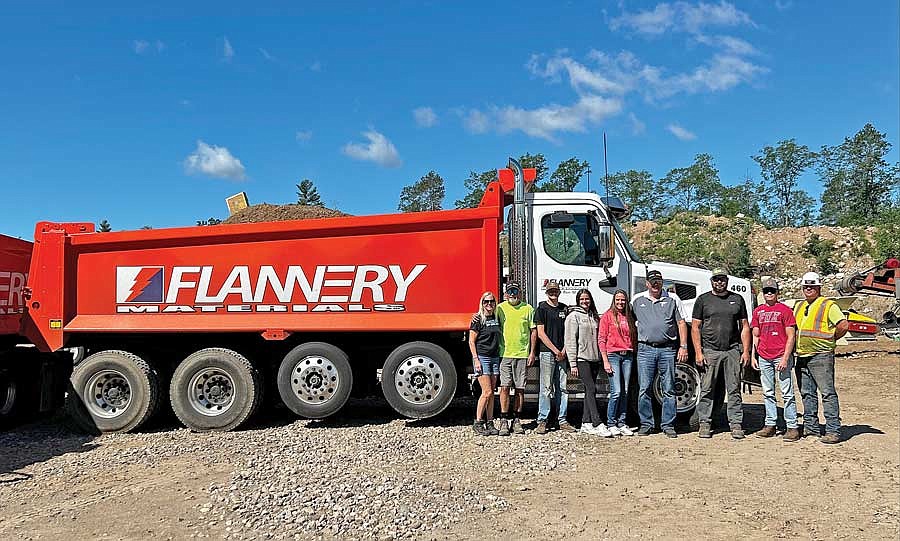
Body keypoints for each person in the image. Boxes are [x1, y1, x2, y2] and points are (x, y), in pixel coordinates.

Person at [692, 268, 751, 440]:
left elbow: (745, 326)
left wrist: (745, 351)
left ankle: (736, 424)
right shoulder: (703, 300)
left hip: (732, 351)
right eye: (716, 279)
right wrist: (698, 352)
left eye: (722, 279)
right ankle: (705, 422)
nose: (719, 282)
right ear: (711, 281)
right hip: (710, 351)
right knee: (707, 388)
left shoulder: (737, 299)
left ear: (727, 280)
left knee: (734, 389)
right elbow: (695, 327)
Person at [631, 269, 689, 438]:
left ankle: (668, 425)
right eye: (652, 282)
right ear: (647, 283)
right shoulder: (637, 300)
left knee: (669, 389)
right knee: (644, 389)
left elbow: (681, 323)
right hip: (645, 349)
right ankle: (646, 424)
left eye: (658, 281)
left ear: (662, 282)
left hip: (667, 349)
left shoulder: (673, 299)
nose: (655, 284)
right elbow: (627, 319)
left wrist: (683, 346)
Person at [793, 271, 849, 444]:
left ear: (818, 287)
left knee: (827, 393)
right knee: (807, 393)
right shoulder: (799, 306)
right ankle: (811, 428)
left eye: (812, 286)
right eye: (806, 286)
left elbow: (843, 325)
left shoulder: (827, 305)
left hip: (821, 356)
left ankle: (833, 430)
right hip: (802, 355)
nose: (808, 288)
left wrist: (830, 340)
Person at [750, 278, 799, 442]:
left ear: (777, 292)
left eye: (772, 290)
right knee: (768, 392)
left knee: (787, 393)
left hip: (780, 355)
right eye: (766, 291)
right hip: (764, 356)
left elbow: (791, 336)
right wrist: (753, 355)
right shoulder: (758, 312)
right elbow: (755, 335)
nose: (769, 293)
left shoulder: (785, 310)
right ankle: (770, 424)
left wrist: (786, 357)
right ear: (763, 293)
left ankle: (792, 426)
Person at [565, 288, 612, 437]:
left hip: (595, 359)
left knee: (588, 391)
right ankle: (597, 423)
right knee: (591, 389)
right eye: (582, 299)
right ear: (578, 301)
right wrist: (573, 363)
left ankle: (585, 423)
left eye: (587, 299)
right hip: (581, 359)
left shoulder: (594, 316)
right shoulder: (573, 317)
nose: (585, 302)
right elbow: (570, 340)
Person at [534, 280, 575, 434]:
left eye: (555, 290)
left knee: (563, 388)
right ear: (546, 292)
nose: (553, 293)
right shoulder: (541, 309)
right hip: (547, 353)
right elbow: (541, 333)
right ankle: (542, 420)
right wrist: (555, 350)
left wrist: (563, 350)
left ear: (559, 292)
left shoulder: (564, 309)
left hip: (562, 354)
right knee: (545, 388)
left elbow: (569, 331)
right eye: (550, 291)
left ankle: (562, 420)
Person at [496, 282, 536, 436]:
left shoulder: (528, 309)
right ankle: (504, 419)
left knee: (520, 389)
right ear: (506, 293)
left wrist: (532, 352)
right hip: (505, 354)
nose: (512, 294)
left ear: (520, 293)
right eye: (509, 291)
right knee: (504, 387)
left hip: (521, 355)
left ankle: (517, 419)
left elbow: (533, 332)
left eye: (515, 291)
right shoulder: (500, 308)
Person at [598, 289, 636, 436]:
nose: (620, 302)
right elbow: (601, 339)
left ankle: (622, 422)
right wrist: (605, 360)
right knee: (616, 391)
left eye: (623, 300)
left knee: (625, 392)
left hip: (627, 356)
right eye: (618, 300)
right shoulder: (607, 316)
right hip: (613, 355)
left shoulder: (629, 316)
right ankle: (611, 423)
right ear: (613, 301)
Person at [469, 291, 501, 436]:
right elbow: (471, 341)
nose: (489, 304)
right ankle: (478, 422)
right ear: (482, 303)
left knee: (492, 393)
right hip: (482, 358)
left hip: (495, 357)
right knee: (486, 391)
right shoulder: (477, 319)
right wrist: (476, 359)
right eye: (486, 302)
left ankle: (490, 422)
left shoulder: (497, 316)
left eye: (491, 301)